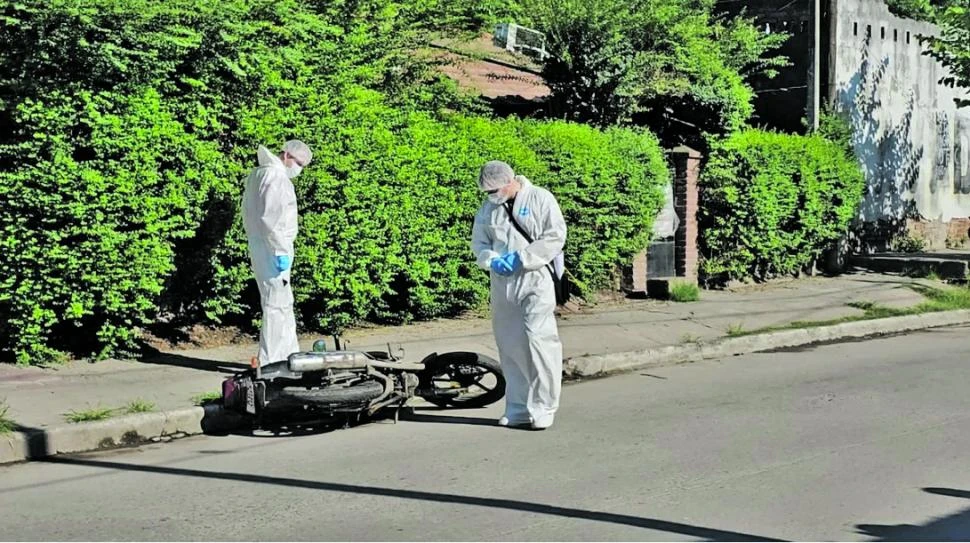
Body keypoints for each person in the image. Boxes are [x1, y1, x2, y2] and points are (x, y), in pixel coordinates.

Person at [470, 160, 567, 430]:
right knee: (510, 344)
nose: (492, 196)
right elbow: (479, 242)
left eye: (496, 190)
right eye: (488, 192)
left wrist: (523, 258)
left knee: (539, 340)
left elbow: (555, 236)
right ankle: (518, 408)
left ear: (510, 181)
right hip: (502, 283)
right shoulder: (488, 208)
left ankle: (544, 407)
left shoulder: (540, 198)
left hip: (534, 278)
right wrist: (490, 259)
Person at [242, 140, 312, 366]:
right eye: (299, 163)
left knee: (282, 301)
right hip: (273, 248)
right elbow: (271, 220)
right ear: (287, 156)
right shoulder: (276, 178)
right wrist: (281, 251)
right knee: (275, 303)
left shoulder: (258, 174)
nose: (299, 168)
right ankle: (272, 359)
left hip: (264, 246)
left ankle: (288, 354)